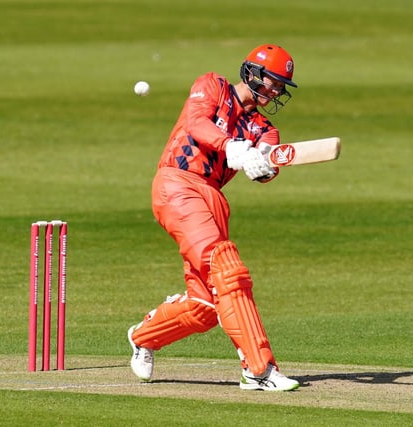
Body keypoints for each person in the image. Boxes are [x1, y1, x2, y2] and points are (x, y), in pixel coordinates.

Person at [127, 44, 300, 391]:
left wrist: (262, 164)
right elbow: (196, 122)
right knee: (228, 268)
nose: (276, 90)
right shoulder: (213, 86)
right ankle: (259, 370)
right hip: (177, 183)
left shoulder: (265, 129)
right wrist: (230, 146)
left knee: (205, 304)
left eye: (282, 86)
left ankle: (144, 336)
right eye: (272, 81)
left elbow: (267, 166)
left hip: (213, 199)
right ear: (252, 73)